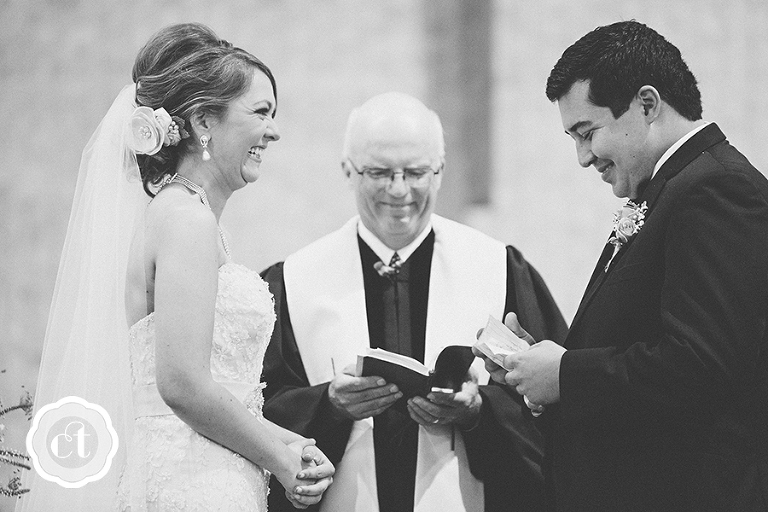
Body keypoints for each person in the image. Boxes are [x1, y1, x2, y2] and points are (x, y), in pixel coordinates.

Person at [17, 23, 334, 511]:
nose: (274, 131)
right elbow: (182, 385)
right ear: (205, 121)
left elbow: (216, 391)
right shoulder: (186, 218)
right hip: (192, 482)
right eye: (261, 112)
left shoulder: (181, 213)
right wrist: (281, 459)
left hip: (203, 467)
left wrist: (294, 446)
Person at [475, 20, 768, 511]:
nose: (583, 157)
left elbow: (701, 366)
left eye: (587, 133)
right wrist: (542, 372)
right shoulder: (676, 188)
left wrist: (566, 373)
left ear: (647, 105)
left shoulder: (716, 191)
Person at [261, 92, 568, 512]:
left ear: (439, 172)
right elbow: (260, 408)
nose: (399, 189)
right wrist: (329, 406)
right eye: (379, 172)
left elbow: (552, 400)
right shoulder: (294, 281)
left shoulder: (499, 268)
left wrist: (477, 411)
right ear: (348, 171)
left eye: (416, 172)